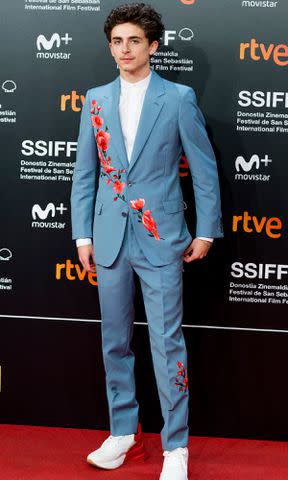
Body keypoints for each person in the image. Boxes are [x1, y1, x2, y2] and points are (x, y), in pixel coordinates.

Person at [70, 3, 223, 479]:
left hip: (162, 240)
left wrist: (205, 230)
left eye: (134, 40)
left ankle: (175, 446)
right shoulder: (94, 99)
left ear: (153, 45)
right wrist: (82, 233)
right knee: (114, 340)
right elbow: (84, 174)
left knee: (165, 342)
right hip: (110, 237)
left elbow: (203, 168)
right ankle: (122, 432)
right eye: (116, 41)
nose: (124, 50)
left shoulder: (178, 98)